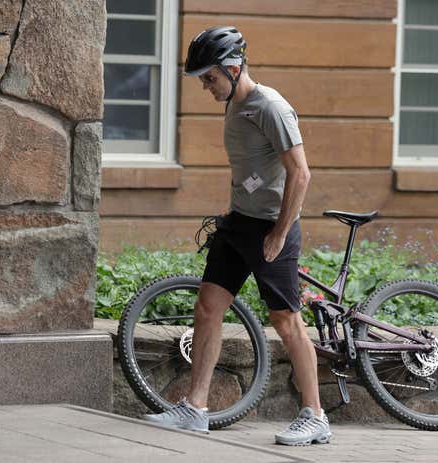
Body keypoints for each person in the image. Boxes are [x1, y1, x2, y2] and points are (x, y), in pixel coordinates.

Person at [144, 26, 331, 446]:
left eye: (210, 78)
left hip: (271, 228)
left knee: (286, 321)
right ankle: (195, 409)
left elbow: (300, 173)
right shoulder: (234, 104)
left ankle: (316, 415)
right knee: (208, 307)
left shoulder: (271, 108)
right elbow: (253, 168)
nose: (206, 87)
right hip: (240, 223)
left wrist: (281, 233)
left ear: (233, 67)